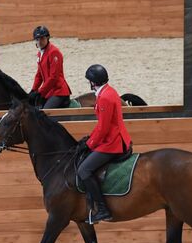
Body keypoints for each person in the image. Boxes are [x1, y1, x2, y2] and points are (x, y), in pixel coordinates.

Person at [77, 64, 132, 225]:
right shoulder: (109, 91)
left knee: (84, 170)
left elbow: (104, 128)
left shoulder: (105, 97)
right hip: (114, 136)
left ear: (93, 82)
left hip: (113, 142)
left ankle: (102, 210)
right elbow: (101, 125)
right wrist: (88, 140)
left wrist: (89, 144)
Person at [29, 26, 72, 109]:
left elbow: (54, 77)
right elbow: (39, 75)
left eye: (42, 38)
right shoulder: (40, 53)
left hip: (59, 92)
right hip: (49, 91)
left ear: (47, 38)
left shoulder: (54, 52)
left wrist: (40, 92)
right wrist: (33, 90)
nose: (39, 41)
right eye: (37, 39)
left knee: (46, 112)